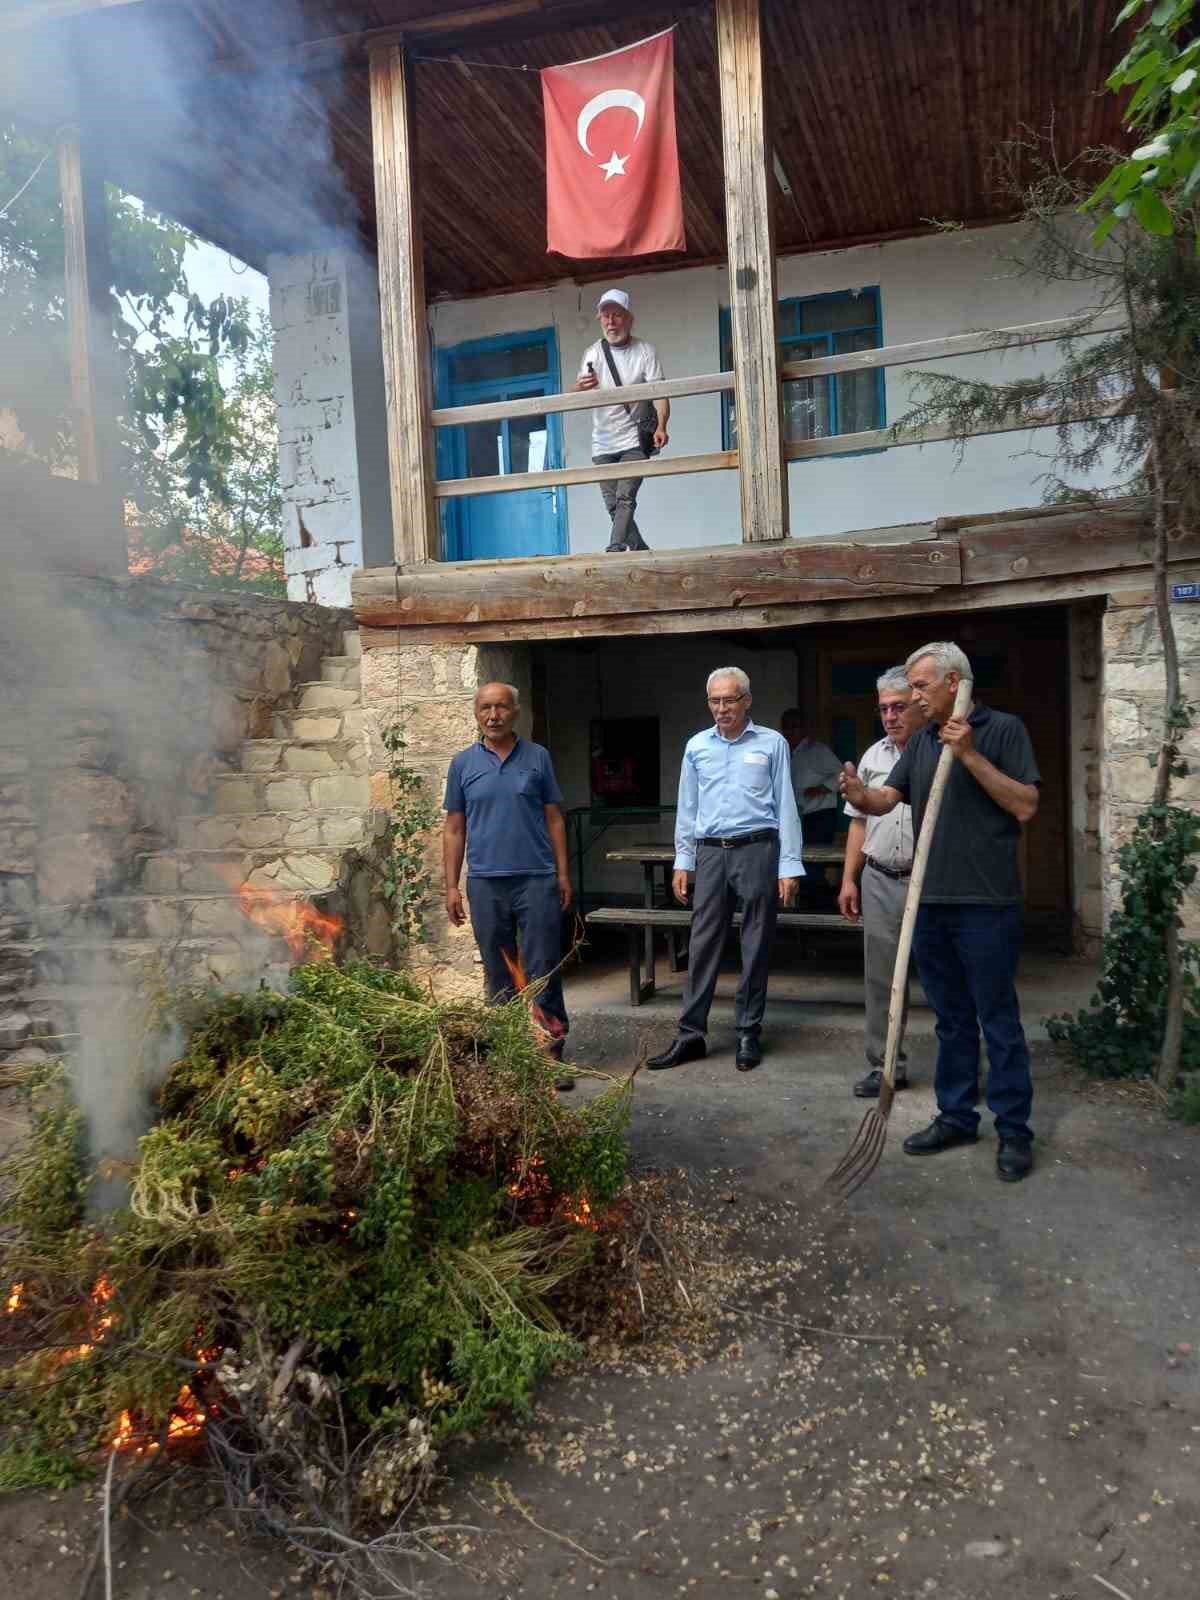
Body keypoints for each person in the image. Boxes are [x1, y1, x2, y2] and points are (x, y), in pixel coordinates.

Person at [838, 642, 1041, 1181]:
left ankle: (1015, 1131)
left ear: (954, 683)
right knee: (951, 1020)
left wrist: (970, 753)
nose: (913, 696)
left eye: (922, 686)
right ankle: (956, 1116)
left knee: (997, 1019)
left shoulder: (1002, 730)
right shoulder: (923, 741)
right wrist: (860, 793)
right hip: (930, 903)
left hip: (986, 903)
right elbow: (886, 801)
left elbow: (1024, 805)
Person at [647, 668, 803, 1074]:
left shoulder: (773, 743)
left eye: (729, 700)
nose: (722, 709)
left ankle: (748, 1031)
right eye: (715, 701)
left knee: (755, 941)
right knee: (702, 942)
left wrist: (789, 865)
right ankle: (690, 1034)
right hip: (711, 853)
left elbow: (786, 805)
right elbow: (688, 808)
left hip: (757, 848)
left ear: (747, 700)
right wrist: (683, 861)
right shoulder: (697, 746)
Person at [443, 682, 574, 1084]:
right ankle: (506, 1057)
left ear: (516, 712)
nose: (493, 715)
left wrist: (563, 874)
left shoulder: (538, 758)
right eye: (485, 708)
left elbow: (554, 818)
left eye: (501, 707)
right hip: (485, 884)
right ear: (476, 713)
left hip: (536, 880)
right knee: (499, 974)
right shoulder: (463, 764)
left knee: (542, 968)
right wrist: (451, 886)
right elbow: (453, 828)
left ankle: (551, 1055)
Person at [837, 668, 926, 1099]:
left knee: (949, 976)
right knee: (881, 980)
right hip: (880, 879)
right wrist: (849, 879)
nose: (890, 716)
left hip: (930, 882)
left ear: (917, 704)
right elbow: (859, 824)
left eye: (898, 707)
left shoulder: (937, 750)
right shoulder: (873, 757)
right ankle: (886, 1066)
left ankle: (961, 1071)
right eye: (884, 709)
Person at [575, 288, 669, 553]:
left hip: (634, 440)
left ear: (629, 319)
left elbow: (660, 393)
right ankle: (639, 548)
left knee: (625, 497)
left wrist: (662, 425)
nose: (610, 322)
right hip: (602, 442)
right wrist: (579, 387)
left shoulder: (645, 352)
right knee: (613, 506)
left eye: (617, 315)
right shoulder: (593, 354)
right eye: (605, 316)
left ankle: (615, 548)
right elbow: (576, 394)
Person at [781, 710, 843, 845]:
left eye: (794, 726)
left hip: (819, 815)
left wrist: (819, 789)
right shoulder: (786, 753)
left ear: (803, 729)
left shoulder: (816, 750)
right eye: (786, 726)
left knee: (815, 860)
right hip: (796, 816)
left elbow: (842, 774)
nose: (790, 731)